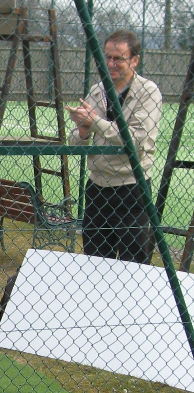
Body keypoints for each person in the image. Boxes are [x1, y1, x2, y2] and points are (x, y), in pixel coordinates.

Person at [66, 30, 162, 264]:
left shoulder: (148, 92)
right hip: (97, 186)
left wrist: (95, 123)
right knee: (95, 261)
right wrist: (83, 129)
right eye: (107, 57)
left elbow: (137, 140)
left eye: (118, 58)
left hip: (130, 187)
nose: (111, 63)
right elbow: (75, 141)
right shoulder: (98, 90)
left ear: (135, 60)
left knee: (133, 264)